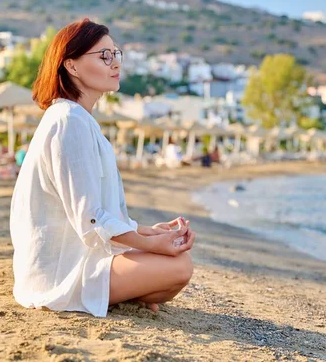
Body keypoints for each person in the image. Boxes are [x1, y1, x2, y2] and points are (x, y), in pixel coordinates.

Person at [10, 19, 195, 318]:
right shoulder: (68, 121)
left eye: (116, 54)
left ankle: (128, 289)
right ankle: (118, 291)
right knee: (179, 267)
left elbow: (96, 212)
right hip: (61, 271)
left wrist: (150, 233)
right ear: (71, 66)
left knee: (174, 266)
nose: (115, 63)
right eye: (104, 56)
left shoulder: (80, 119)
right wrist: (151, 245)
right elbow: (91, 219)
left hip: (77, 256)